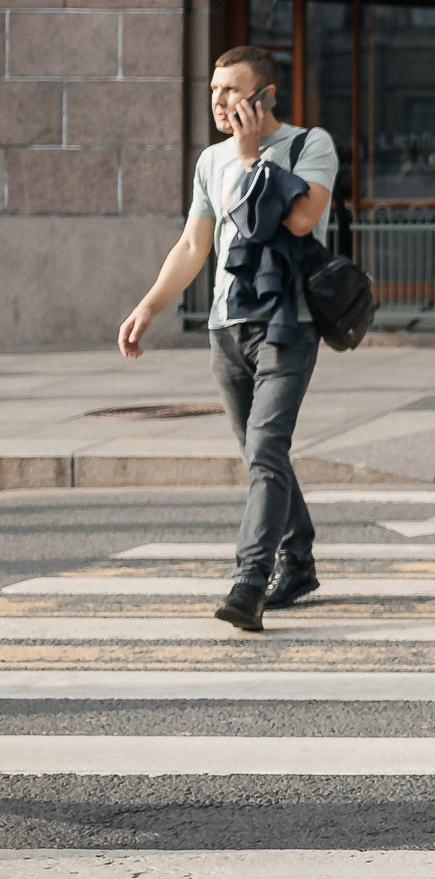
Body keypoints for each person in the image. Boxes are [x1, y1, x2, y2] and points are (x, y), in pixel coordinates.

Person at [117, 46, 339, 632]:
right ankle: (300, 558)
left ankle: (250, 582)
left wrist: (249, 157)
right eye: (213, 89)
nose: (217, 100)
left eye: (230, 90)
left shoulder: (309, 145)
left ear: (264, 96)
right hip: (227, 328)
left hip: (288, 325)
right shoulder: (210, 161)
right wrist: (149, 305)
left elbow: (299, 220)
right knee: (260, 453)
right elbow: (194, 246)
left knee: (266, 448)